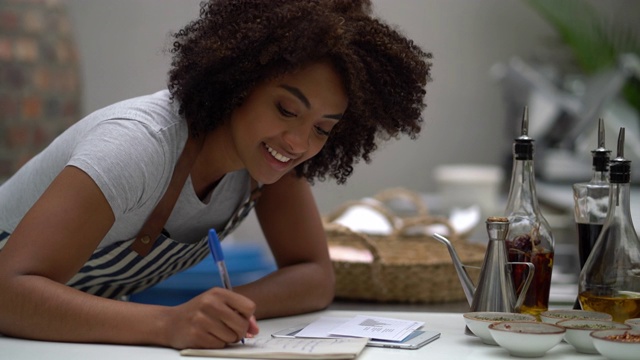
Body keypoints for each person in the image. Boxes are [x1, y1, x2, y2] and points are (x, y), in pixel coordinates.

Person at [0, 0, 431, 350]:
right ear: (238, 84)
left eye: (322, 128)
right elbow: (9, 294)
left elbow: (314, 275)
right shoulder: (136, 147)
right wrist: (168, 324)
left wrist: (217, 312)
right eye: (286, 109)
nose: (299, 142)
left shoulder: (266, 163)